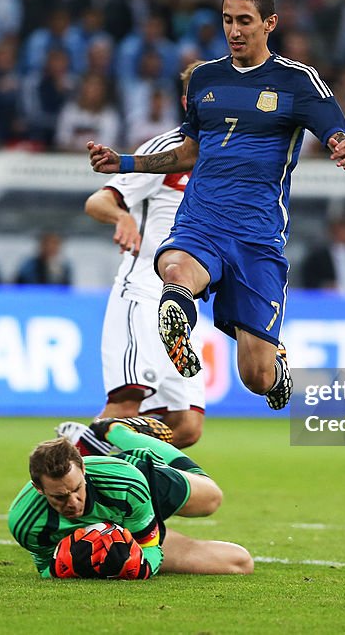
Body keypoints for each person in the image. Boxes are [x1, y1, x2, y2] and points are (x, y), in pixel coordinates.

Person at [87, 0, 345, 411]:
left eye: (245, 21)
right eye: (228, 20)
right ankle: (176, 318)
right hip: (203, 220)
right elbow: (189, 152)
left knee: (255, 376)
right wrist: (124, 162)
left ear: (269, 23)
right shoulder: (206, 79)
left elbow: (334, 128)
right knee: (176, 269)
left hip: (257, 235)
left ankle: (275, 365)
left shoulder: (298, 81)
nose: (234, 30)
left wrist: (344, 143)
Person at [83, 61, 206, 448]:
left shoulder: (227, 158)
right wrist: (123, 217)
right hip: (143, 295)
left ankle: (94, 451)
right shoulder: (166, 149)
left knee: (185, 426)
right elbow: (99, 200)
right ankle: (57, 479)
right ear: (190, 102)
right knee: (126, 405)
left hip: (182, 308)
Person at [8, 418, 253, 578]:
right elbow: (45, 567)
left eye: (77, 489)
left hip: (138, 486)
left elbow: (149, 548)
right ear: (39, 489)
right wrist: (80, 567)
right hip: (124, 525)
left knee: (211, 499)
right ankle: (90, 444)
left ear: (83, 471)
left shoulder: (127, 483)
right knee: (240, 562)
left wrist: (140, 568)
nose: (72, 502)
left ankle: (115, 430)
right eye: (59, 497)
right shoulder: (25, 521)